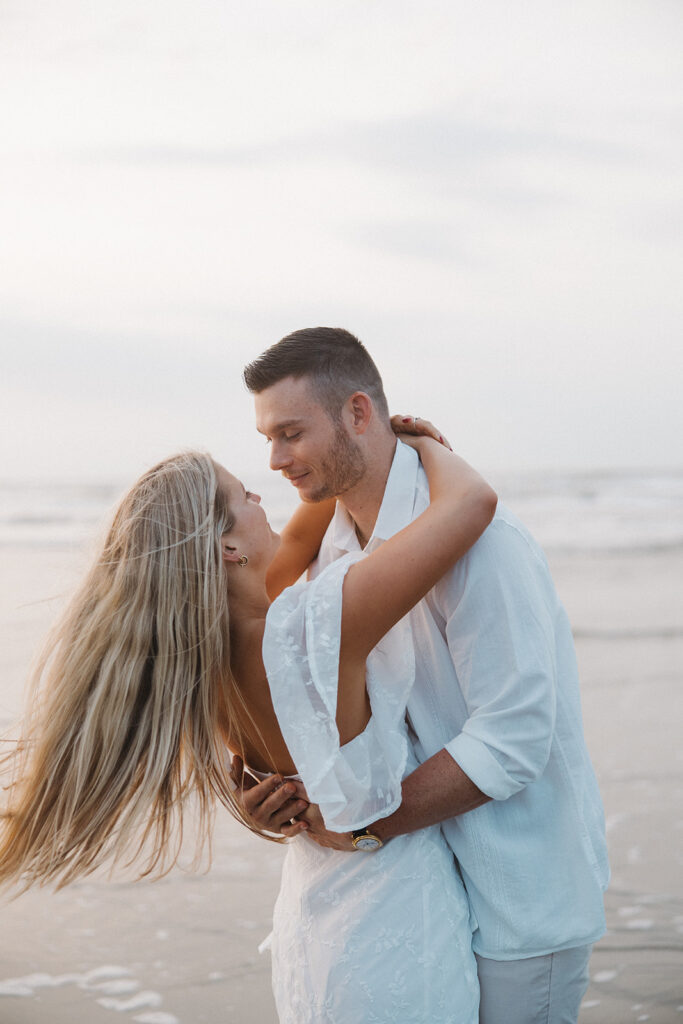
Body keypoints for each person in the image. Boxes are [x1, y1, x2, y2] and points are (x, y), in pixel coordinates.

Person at [0, 436, 496, 1022]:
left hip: (314, 919)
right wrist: (416, 440)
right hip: (393, 914)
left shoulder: (202, 658)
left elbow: (296, 539)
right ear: (225, 545)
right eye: (245, 494)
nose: (263, 497)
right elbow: (471, 503)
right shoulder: (316, 628)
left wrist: (355, 446)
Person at [238, 326, 610, 1024]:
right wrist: (263, 794)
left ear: (357, 412)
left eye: (290, 433)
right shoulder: (329, 549)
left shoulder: (485, 548)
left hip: (514, 898)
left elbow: (513, 737)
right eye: (267, 437)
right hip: (409, 895)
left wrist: (363, 827)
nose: (275, 459)